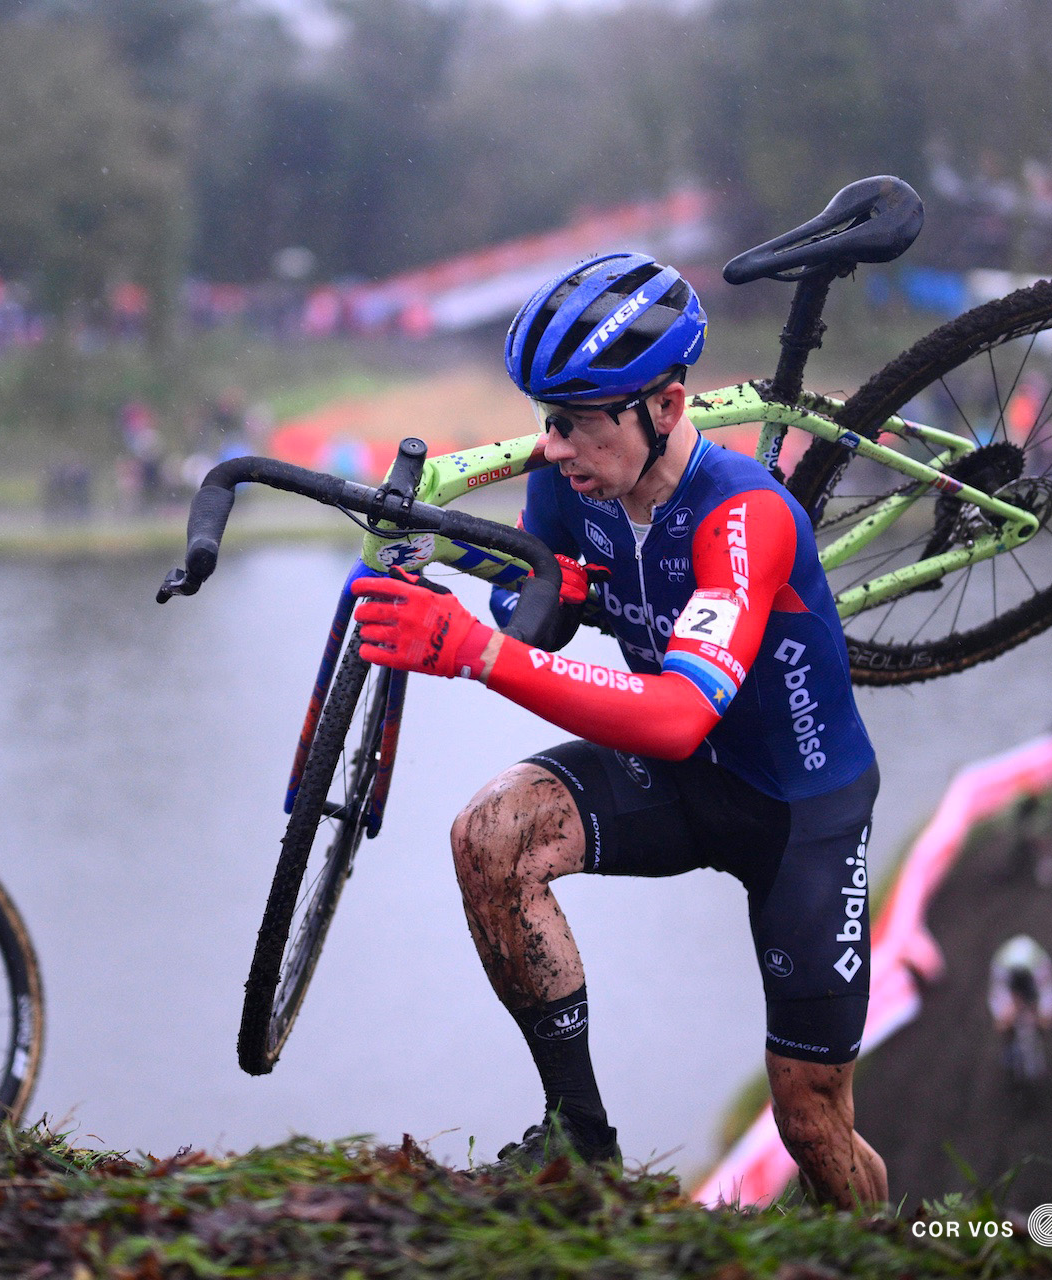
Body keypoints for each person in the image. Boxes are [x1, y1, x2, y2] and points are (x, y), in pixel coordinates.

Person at [348, 253, 886, 1207]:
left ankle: (877, 1251)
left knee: (808, 1121)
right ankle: (579, 1137)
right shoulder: (574, 486)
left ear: (668, 408)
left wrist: (473, 651)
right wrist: (469, 589)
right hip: (679, 783)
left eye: (576, 422)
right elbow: (540, 612)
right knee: (491, 835)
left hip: (798, 813)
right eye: (545, 420)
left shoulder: (744, 516)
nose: (552, 447)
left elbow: (678, 714)